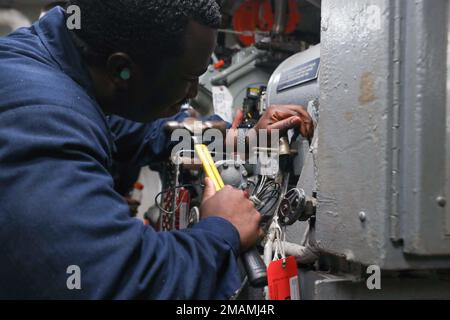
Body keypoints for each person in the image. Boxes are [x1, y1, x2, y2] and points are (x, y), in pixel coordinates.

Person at [0, 0, 313, 299]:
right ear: (122, 69)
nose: (192, 93)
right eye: (188, 79)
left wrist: (245, 141)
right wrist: (222, 231)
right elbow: (116, 282)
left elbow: (142, 130)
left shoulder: (67, 61)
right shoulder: (38, 117)